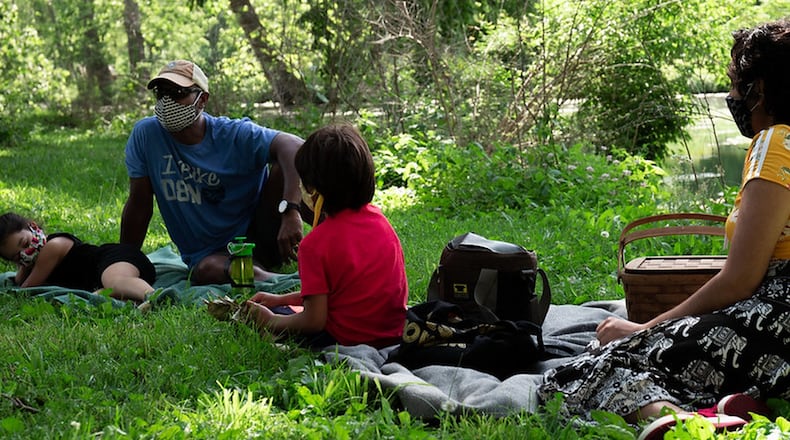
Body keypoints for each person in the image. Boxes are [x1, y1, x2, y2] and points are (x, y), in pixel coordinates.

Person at [538, 18, 790, 438]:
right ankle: (737, 408)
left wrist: (643, 329)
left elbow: (740, 280)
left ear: (757, 89)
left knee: (580, 373)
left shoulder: (775, 142)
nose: (731, 96)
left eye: (733, 83)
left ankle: (683, 424)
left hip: (777, 320)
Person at [121, 60, 305, 285]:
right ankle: (283, 282)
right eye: (162, 93)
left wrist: (290, 210)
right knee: (207, 270)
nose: (168, 102)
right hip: (214, 255)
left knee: (296, 166)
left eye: (178, 93)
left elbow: (295, 147)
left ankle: (345, 241)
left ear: (203, 99)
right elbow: (139, 205)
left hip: (265, 235)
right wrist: (122, 261)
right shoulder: (147, 136)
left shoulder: (232, 135)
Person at [241, 124, 409, 349]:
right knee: (281, 308)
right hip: (393, 333)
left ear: (314, 189)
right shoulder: (381, 222)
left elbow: (314, 321)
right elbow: (344, 292)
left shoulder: (315, 245)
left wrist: (271, 320)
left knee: (272, 318)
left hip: (346, 339)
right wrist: (280, 299)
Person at [0, 212, 156, 305]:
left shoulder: (52, 247)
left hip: (114, 259)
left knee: (114, 282)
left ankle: (154, 296)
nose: (26, 252)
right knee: (97, 296)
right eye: (17, 256)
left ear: (32, 227)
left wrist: (25, 263)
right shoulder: (35, 260)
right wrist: (25, 262)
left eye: (25, 243)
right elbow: (20, 280)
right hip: (98, 281)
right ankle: (137, 300)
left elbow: (26, 287)